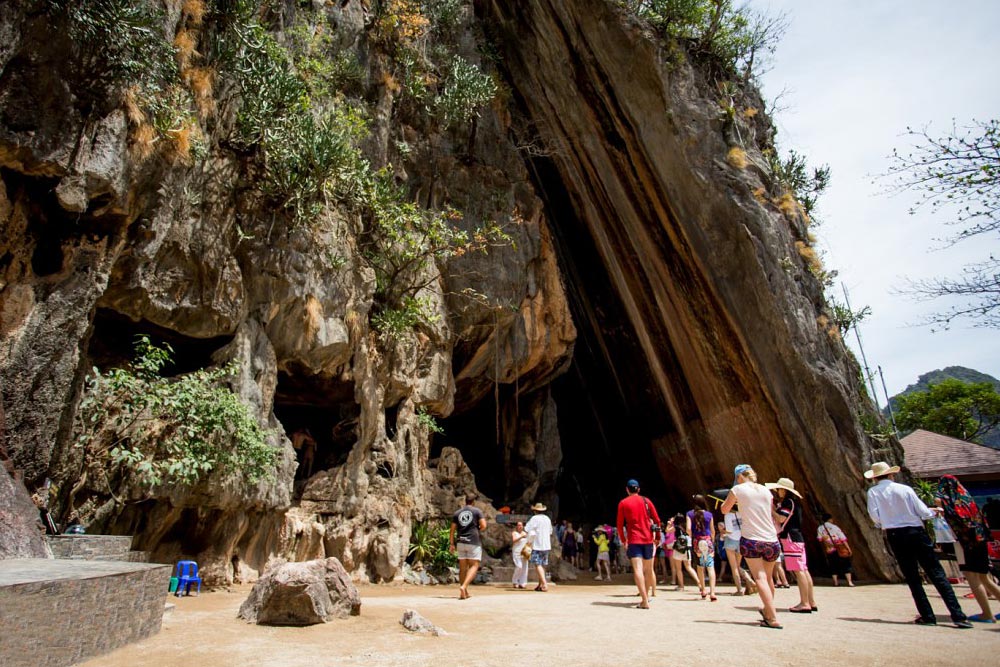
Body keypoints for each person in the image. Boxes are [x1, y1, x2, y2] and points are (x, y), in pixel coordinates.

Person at [865, 461, 971, 628]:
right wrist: (932, 512)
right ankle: (958, 615)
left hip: (895, 534)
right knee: (936, 572)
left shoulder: (873, 492)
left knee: (912, 576)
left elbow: (874, 516)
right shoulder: (905, 489)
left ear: (875, 478)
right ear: (891, 474)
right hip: (916, 532)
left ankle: (927, 616)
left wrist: (886, 522)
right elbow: (922, 511)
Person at [721, 464, 783, 629]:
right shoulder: (766, 491)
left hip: (752, 539)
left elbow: (724, 509)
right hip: (771, 540)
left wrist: (737, 505)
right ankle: (768, 612)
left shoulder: (738, 490)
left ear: (739, 477)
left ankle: (773, 617)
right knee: (768, 578)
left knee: (760, 578)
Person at [936, 475, 1000, 623]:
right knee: (984, 577)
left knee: (972, 577)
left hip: (965, 543)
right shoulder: (968, 500)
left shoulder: (947, 502)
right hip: (981, 540)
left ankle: (987, 614)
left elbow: (951, 521)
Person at [767, 477, 816, 613]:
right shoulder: (796, 503)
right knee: (804, 569)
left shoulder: (788, 502)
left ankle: (804, 603)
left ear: (784, 490)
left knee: (798, 571)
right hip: (797, 537)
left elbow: (781, 518)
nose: (778, 491)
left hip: (790, 538)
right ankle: (811, 601)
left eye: (779, 489)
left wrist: (771, 510)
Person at [616, 479, 662, 609]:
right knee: (648, 570)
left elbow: (620, 525)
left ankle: (644, 600)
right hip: (648, 539)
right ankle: (646, 597)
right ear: (639, 489)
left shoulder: (623, 503)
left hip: (634, 540)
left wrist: (624, 540)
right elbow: (657, 520)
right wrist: (657, 537)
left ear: (627, 489)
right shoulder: (647, 501)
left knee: (637, 569)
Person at [449, 493, 487, 600]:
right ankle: (464, 586)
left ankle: (464, 592)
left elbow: (452, 530)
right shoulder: (477, 511)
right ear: (474, 502)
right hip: (473, 541)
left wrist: (452, 544)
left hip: (460, 541)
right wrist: (477, 529)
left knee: (462, 568)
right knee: (474, 566)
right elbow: (484, 525)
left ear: (465, 501)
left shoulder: (457, 513)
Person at [686, 494, 717, 601]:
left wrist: (691, 537)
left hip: (697, 540)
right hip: (707, 540)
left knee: (700, 566)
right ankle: (712, 592)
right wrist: (712, 540)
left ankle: (703, 590)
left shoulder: (690, 514)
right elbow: (712, 530)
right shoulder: (709, 514)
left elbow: (688, 529)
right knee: (710, 566)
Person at [816, 513, 854, 587]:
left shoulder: (820, 528)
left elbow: (820, 539)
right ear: (830, 519)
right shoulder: (835, 527)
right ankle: (849, 582)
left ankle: (835, 582)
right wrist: (848, 548)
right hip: (840, 547)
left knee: (833, 565)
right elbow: (843, 538)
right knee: (846, 564)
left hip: (829, 549)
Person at [525, 502, 554, 591]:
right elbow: (550, 531)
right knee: (543, 565)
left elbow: (527, 529)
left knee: (537, 564)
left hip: (537, 545)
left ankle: (544, 584)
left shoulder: (534, 518)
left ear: (535, 511)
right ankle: (540, 584)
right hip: (546, 544)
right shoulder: (547, 519)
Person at [670, 513, 702, 593]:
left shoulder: (676, 527)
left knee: (679, 569)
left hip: (678, 549)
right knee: (689, 567)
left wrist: (670, 523)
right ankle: (699, 583)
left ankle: (681, 586)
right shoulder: (687, 527)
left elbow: (667, 530)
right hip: (687, 549)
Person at [723, 505, 745, 595]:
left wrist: (723, 531)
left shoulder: (727, 515)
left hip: (731, 540)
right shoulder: (741, 514)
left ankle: (739, 589)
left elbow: (729, 530)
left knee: (734, 567)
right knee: (738, 565)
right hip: (741, 540)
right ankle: (749, 580)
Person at [511, 520, 530, 589]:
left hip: (524, 552)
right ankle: (515, 581)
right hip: (516, 552)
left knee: (525, 568)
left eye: (521, 525)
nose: (520, 526)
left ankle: (522, 583)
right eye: (518, 525)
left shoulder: (525, 533)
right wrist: (521, 537)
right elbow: (514, 540)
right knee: (519, 566)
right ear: (516, 526)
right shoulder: (514, 533)